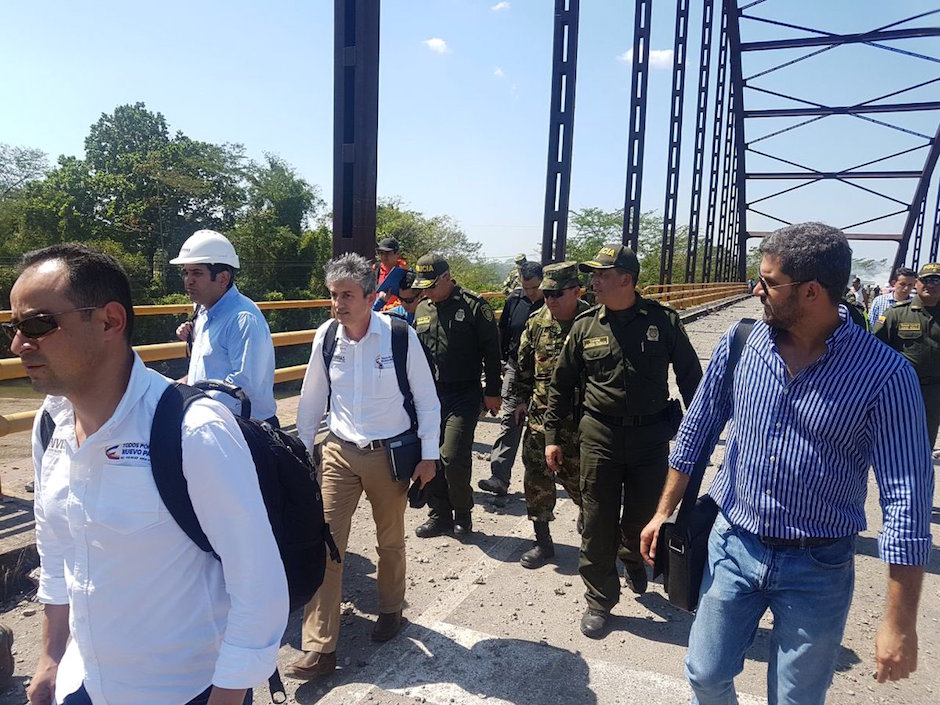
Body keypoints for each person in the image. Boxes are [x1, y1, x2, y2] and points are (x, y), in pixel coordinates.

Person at [640, 222, 934, 705]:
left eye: (768, 281)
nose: (757, 290)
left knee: (796, 700)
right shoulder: (743, 344)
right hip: (733, 544)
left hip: (818, 564)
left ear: (812, 292)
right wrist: (662, 512)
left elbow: (906, 501)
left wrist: (899, 623)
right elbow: (697, 430)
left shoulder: (885, 376)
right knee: (705, 674)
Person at [8, 243, 288, 705]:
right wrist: (51, 656)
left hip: (183, 690)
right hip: (83, 682)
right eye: (13, 328)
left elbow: (259, 585)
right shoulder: (49, 424)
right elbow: (56, 548)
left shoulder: (194, 432)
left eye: (39, 324)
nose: (19, 344)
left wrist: (228, 696)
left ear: (110, 322)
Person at [289, 253, 439, 680]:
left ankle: (391, 608)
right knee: (326, 543)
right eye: (334, 295)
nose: (339, 304)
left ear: (371, 297)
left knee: (389, 539)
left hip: (388, 453)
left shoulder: (398, 336)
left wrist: (429, 455)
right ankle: (320, 648)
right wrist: (302, 451)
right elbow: (312, 398)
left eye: (348, 295)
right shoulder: (326, 337)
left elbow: (427, 399)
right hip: (338, 450)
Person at [544, 243, 702, 638]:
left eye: (602, 274)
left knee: (642, 516)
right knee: (597, 520)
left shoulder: (663, 322)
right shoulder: (585, 326)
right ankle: (600, 598)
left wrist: (700, 434)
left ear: (626, 279)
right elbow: (560, 386)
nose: (593, 281)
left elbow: (691, 380)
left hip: (651, 438)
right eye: (593, 274)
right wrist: (551, 435)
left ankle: (632, 554)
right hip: (599, 436)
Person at [412, 253, 501, 537]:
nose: (426, 292)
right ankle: (440, 514)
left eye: (431, 285)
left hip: (463, 393)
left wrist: (493, 392)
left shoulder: (474, 306)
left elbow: (492, 351)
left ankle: (463, 511)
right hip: (430, 396)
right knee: (430, 454)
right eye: (423, 287)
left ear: (447, 278)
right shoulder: (422, 308)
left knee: (452, 456)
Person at [513, 262, 590, 568]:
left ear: (576, 290)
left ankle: (592, 543)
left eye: (557, 293)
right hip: (541, 420)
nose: (551, 300)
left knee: (586, 488)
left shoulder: (594, 320)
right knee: (536, 482)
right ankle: (543, 543)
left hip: (583, 424)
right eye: (546, 294)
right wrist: (519, 400)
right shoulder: (536, 323)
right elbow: (524, 367)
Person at [172, 229, 278, 425]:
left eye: (197, 272)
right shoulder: (203, 311)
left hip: (246, 429)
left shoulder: (243, 319)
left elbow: (242, 387)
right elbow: (211, 368)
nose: (188, 280)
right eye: (185, 272)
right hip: (215, 420)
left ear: (223, 278)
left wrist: (190, 401)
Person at [479, 261, 545, 496]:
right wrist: (500, 368)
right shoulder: (514, 300)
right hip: (516, 368)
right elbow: (503, 334)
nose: (530, 293)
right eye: (526, 288)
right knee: (510, 420)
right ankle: (499, 477)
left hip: (546, 373)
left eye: (534, 288)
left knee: (545, 425)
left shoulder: (555, 301)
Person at [874, 262, 940, 449]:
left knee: (925, 442)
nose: (931, 285)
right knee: (894, 439)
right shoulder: (896, 314)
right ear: (917, 283)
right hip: (902, 388)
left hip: (934, 391)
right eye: (926, 280)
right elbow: (875, 351)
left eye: (936, 280)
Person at [373, 237, 408, 312]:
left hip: (397, 315)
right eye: (381, 253)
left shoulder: (405, 273)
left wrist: (389, 309)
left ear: (397, 254)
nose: (383, 257)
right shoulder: (375, 269)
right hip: (376, 312)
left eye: (387, 253)